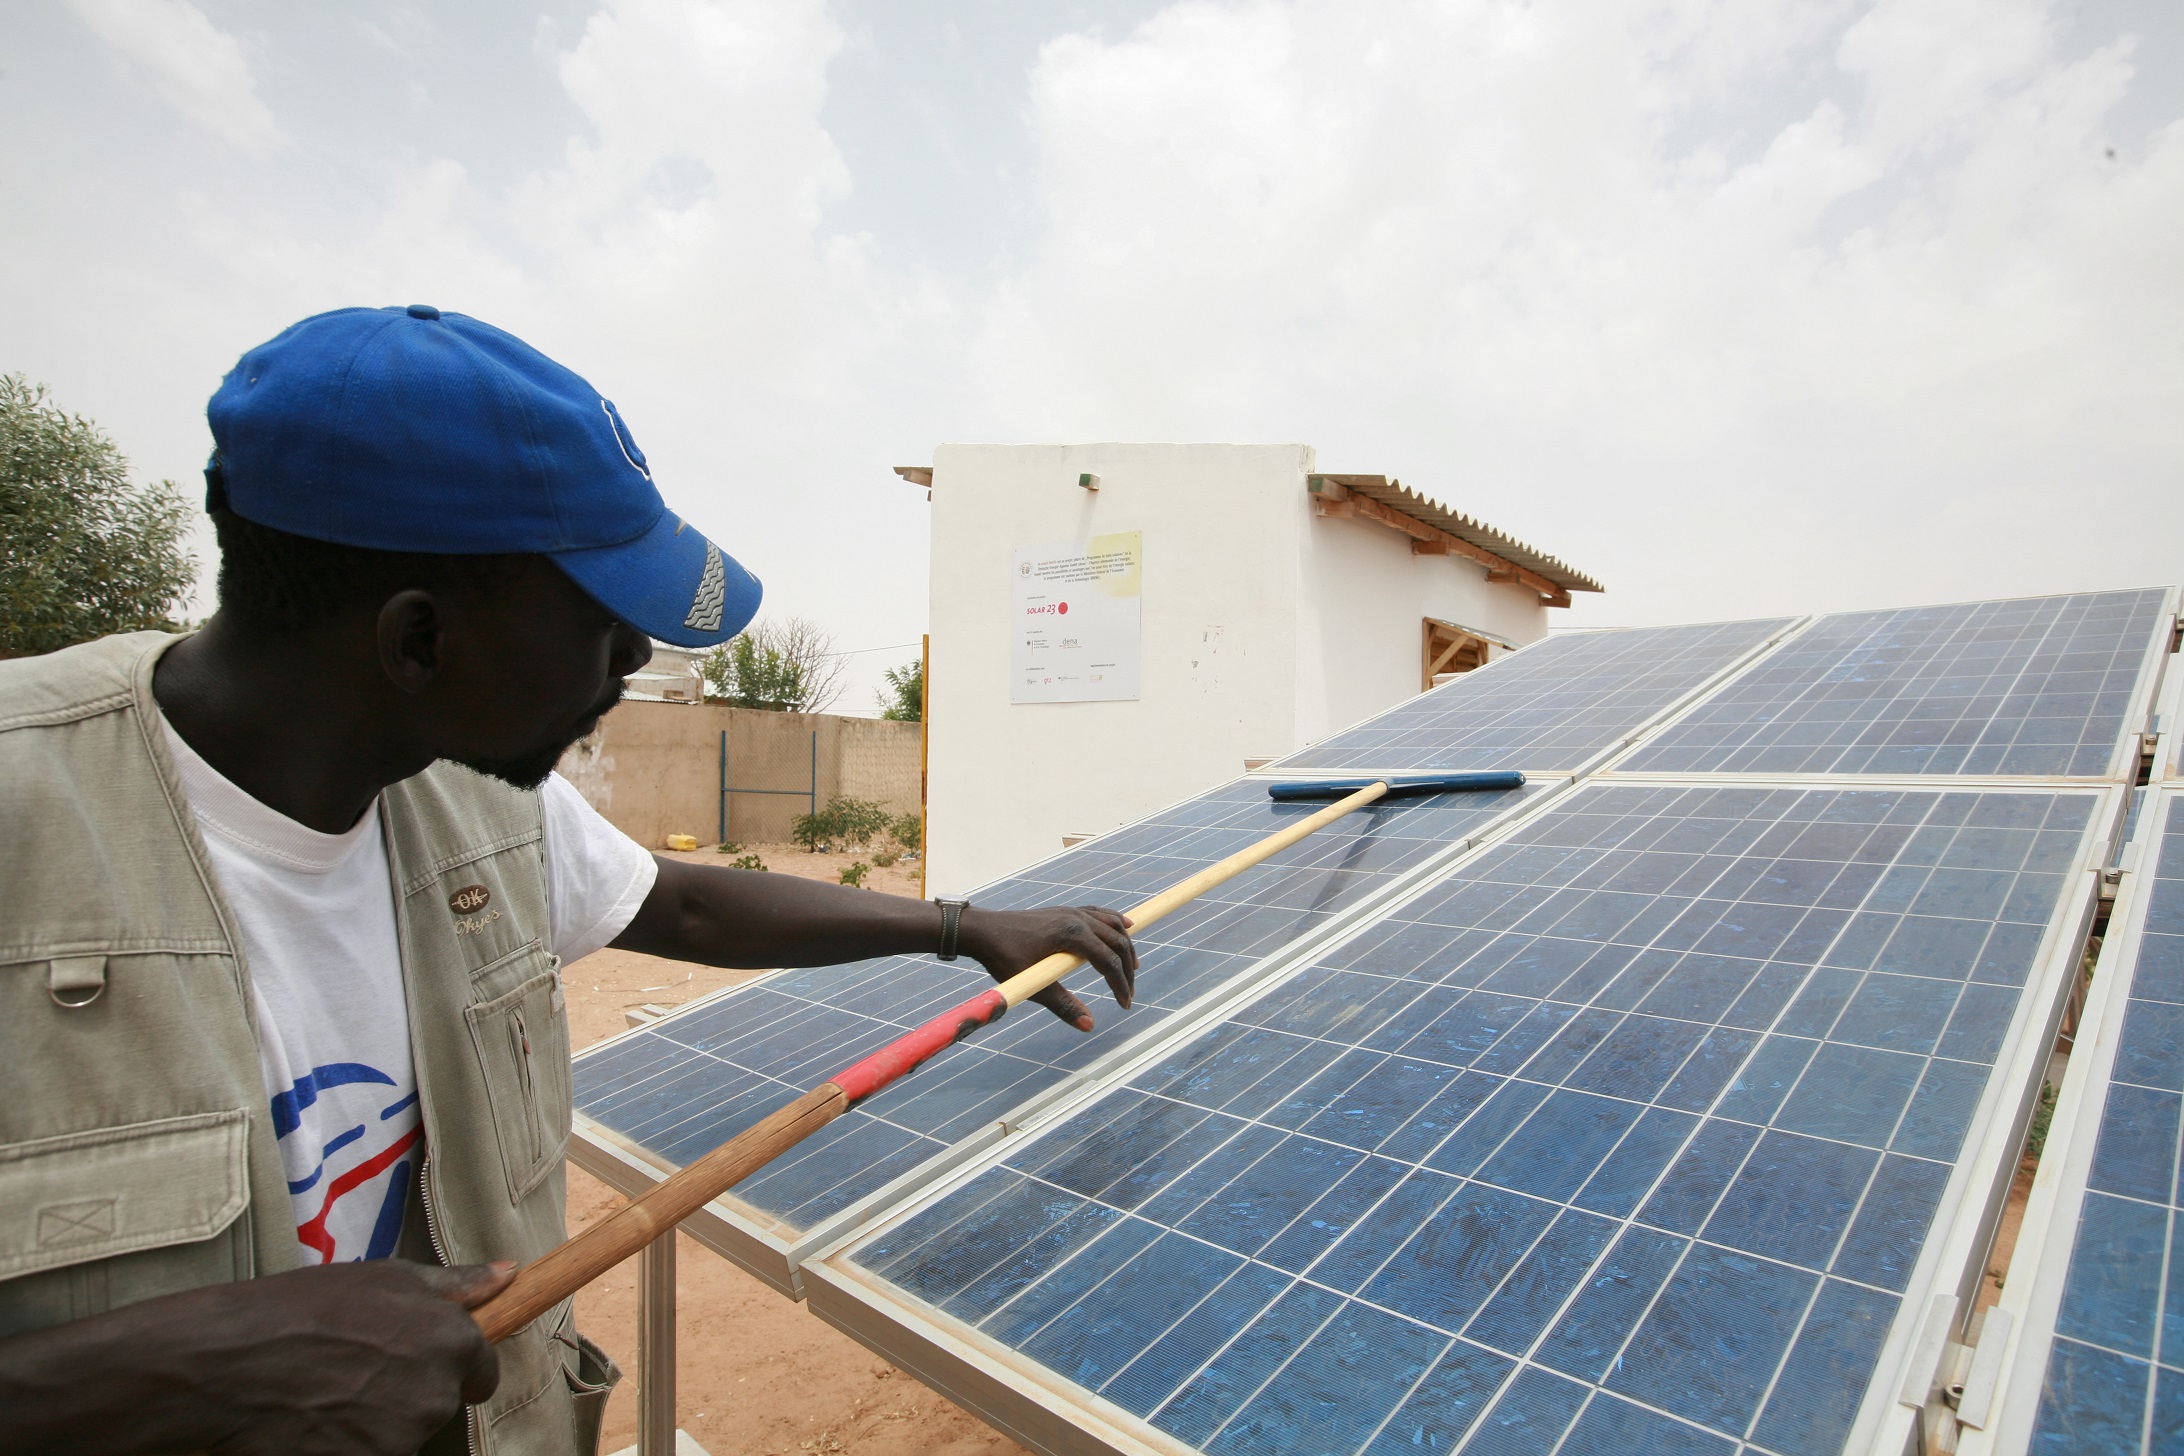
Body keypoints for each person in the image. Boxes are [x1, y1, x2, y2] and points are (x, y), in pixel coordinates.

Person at [0, 306, 1138, 1456]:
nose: (637, 657)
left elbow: (680, 900)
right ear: (417, 643)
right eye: (601, 617)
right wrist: (172, 1376)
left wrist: (962, 925)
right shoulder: (24, 821)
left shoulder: (471, 797)